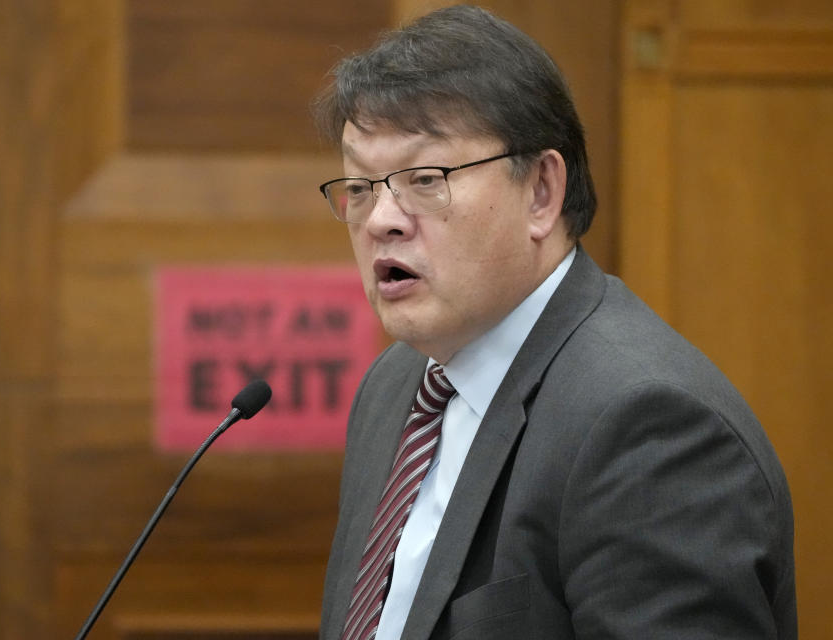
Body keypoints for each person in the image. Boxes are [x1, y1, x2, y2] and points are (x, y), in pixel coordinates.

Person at [311, 5, 796, 640]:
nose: (380, 219)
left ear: (541, 191)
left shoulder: (651, 429)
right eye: (360, 186)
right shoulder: (393, 387)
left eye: (425, 178)